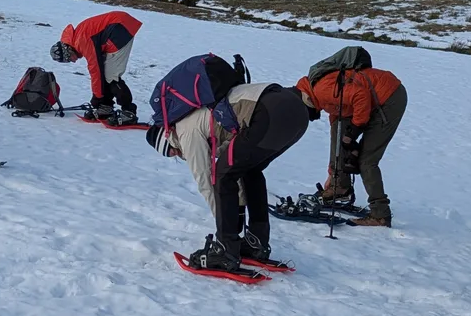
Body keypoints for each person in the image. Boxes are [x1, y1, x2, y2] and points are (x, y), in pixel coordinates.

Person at [145, 79, 309, 273]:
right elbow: (234, 164)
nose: (178, 155)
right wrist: (235, 213)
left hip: (267, 111)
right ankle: (257, 243)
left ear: (168, 138)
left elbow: (206, 180)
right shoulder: (199, 115)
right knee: (250, 170)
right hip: (296, 113)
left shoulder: (184, 131)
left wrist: (226, 226)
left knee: (222, 176)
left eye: (171, 151)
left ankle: (226, 251)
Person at [294, 62, 406, 226]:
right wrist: (333, 173)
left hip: (388, 97)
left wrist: (355, 128)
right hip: (377, 96)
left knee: (366, 160)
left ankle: (380, 214)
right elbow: (337, 125)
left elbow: (361, 95)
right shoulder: (319, 91)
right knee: (339, 132)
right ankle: (340, 187)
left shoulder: (321, 90)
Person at [50, 11, 141, 125]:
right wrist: (99, 98)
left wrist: (97, 97)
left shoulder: (81, 41)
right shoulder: (77, 38)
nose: (73, 61)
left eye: (69, 59)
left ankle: (129, 112)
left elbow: (95, 70)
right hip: (119, 25)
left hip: (121, 27)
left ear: (68, 50)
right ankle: (106, 107)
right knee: (106, 72)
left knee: (111, 76)